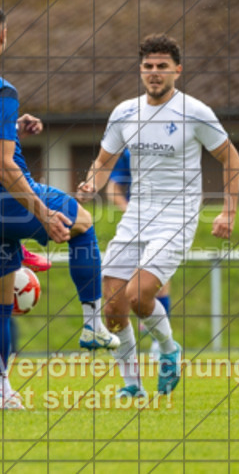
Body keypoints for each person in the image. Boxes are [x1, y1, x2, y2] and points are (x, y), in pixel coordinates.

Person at [0, 1, 119, 410]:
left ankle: (0, 389)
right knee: (83, 222)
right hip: (5, 200)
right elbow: (4, 168)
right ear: (4, 35)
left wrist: (12, 126)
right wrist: (41, 212)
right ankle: (92, 323)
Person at [77, 34, 239, 399]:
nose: (155, 73)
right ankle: (132, 386)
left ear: (177, 71)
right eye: (149, 66)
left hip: (177, 217)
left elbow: (231, 158)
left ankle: (169, 350)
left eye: (162, 67)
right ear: (140, 70)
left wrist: (228, 211)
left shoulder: (195, 112)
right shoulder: (124, 112)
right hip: (136, 216)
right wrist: (91, 183)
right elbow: (103, 163)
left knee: (138, 296)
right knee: (113, 306)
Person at [105, 149, 172, 355]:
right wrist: (128, 210)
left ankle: (159, 344)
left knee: (158, 284)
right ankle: (132, 377)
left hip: (166, 222)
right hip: (135, 227)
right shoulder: (130, 150)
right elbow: (113, 187)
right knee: (115, 294)